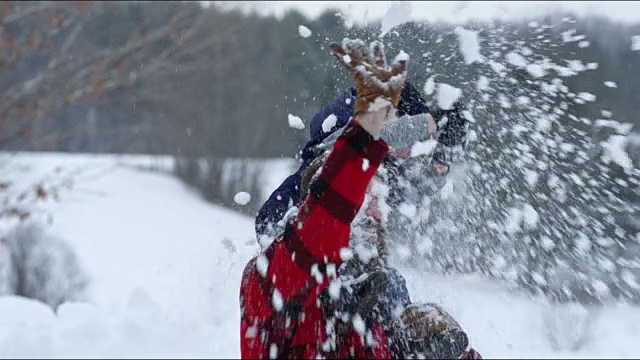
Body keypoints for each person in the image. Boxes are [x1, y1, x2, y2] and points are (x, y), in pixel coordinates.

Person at [240, 38, 480, 359]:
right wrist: (368, 129)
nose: (376, 210)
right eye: (365, 195)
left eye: (377, 198)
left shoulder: (381, 295)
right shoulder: (276, 285)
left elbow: (408, 191)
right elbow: (322, 218)